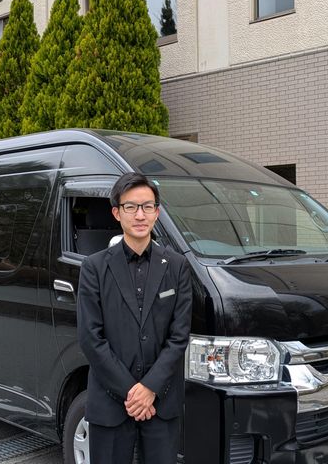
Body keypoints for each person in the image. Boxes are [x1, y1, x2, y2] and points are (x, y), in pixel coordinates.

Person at [77, 172, 192, 464]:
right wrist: (132, 392)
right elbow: (91, 338)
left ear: (157, 212)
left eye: (147, 206)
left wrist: (150, 387)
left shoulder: (177, 266)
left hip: (161, 401)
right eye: (130, 207)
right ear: (117, 213)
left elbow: (179, 337)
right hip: (110, 401)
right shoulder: (94, 267)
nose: (140, 215)